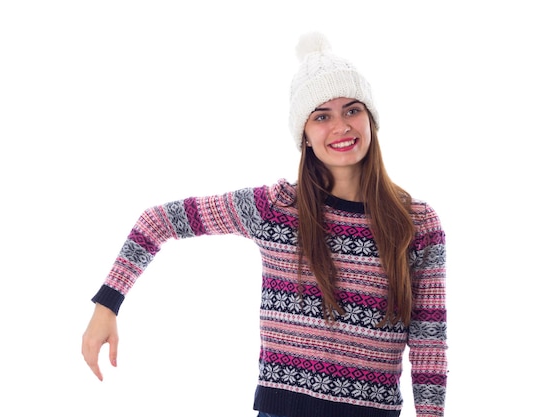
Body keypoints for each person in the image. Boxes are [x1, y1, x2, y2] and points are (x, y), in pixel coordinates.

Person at [82, 31, 447, 417]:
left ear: (371, 119)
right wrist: (107, 305)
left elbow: (429, 343)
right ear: (304, 135)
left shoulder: (416, 224)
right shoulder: (275, 208)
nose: (340, 126)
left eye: (352, 110)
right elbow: (158, 221)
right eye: (321, 116)